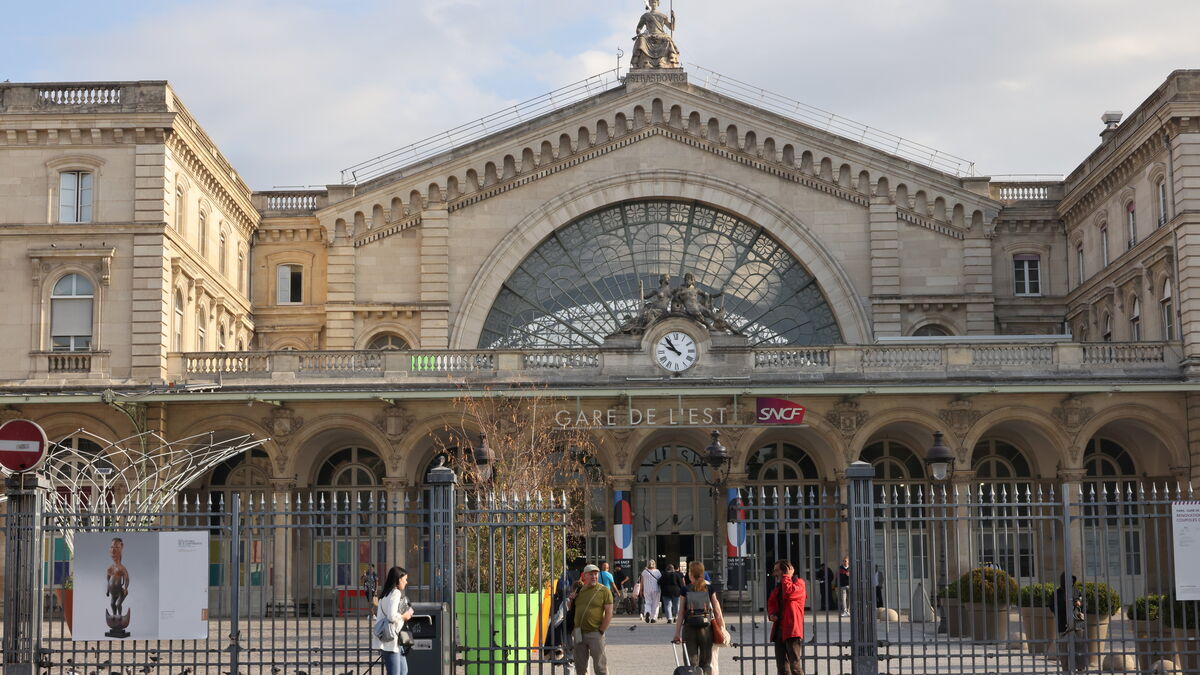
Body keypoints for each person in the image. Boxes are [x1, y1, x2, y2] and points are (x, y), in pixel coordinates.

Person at [672, 561, 724, 675]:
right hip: (706, 628)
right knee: (706, 661)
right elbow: (717, 610)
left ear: (690, 574)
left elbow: (681, 612)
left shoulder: (685, 589)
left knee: (691, 662)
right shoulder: (709, 588)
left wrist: (677, 633)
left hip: (689, 628)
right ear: (702, 573)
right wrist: (720, 627)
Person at [568, 563, 613, 675]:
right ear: (584, 576)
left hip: (595, 632)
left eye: (596, 574)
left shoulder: (604, 591)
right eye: (591, 574)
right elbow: (572, 609)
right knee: (580, 665)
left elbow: (609, 612)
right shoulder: (579, 591)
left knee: (600, 666)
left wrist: (601, 630)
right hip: (578, 632)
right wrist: (571, 600)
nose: (594, 577)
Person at [372, 566, 415, 675]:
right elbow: (391, 616)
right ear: (399, 579)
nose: (406, 582)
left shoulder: (385, 594)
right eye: (405, 579)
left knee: (403, 671)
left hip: (392, 641)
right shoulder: (396, 593)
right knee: (397, 672)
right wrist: (405, 616)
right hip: (391, 642)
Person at [767, 560, 806, 675]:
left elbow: (789, 593)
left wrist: (786, 577)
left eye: (777, 570)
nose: (774, 574)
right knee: (782, 668)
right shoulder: (779, 587)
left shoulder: (799, 584)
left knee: (795, 667)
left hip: (792, 631)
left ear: (785, 571)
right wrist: (772, 614)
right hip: (779, 630)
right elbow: (771, 601)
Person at [1052, 573, 1087, 673]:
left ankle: (1080, 669)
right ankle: (1066, 670)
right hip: (1063, 623)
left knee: (1080, 647)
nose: (1070, 582)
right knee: (1063, 650)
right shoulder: (1057, 593)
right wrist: (1064, 606)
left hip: (1078, 623)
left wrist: (1080, 603)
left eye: (1072, 580)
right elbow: (1052, 606)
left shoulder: (1076, 591)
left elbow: (1084, 603)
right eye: (1068, 580)